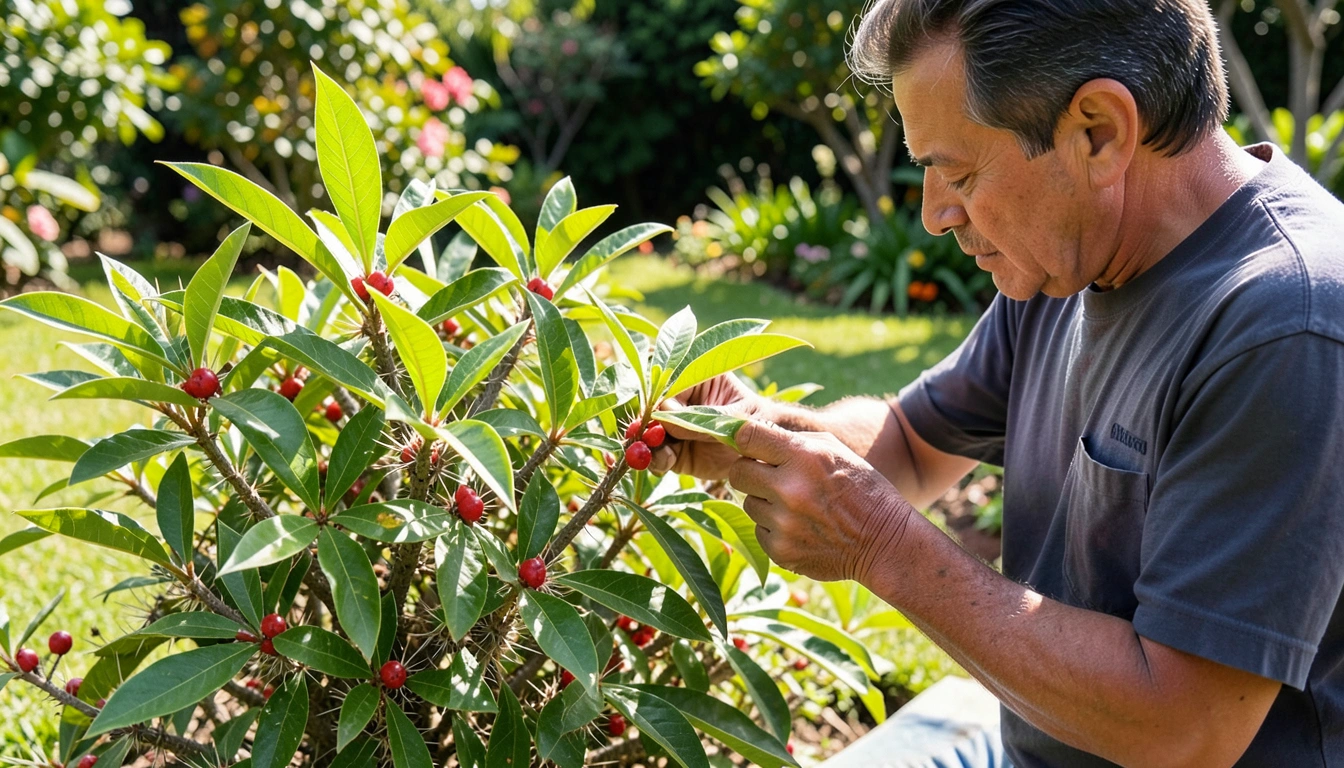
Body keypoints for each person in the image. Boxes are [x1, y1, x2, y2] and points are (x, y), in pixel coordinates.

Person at [650, 1, 1344, 766]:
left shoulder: (1288, 322)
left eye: (956, 171)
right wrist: (749, 428)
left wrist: (882, 543)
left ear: (1098, 131)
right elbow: (911, 446)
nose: (934, 214)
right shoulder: (1068, 260)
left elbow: (1183, 729)